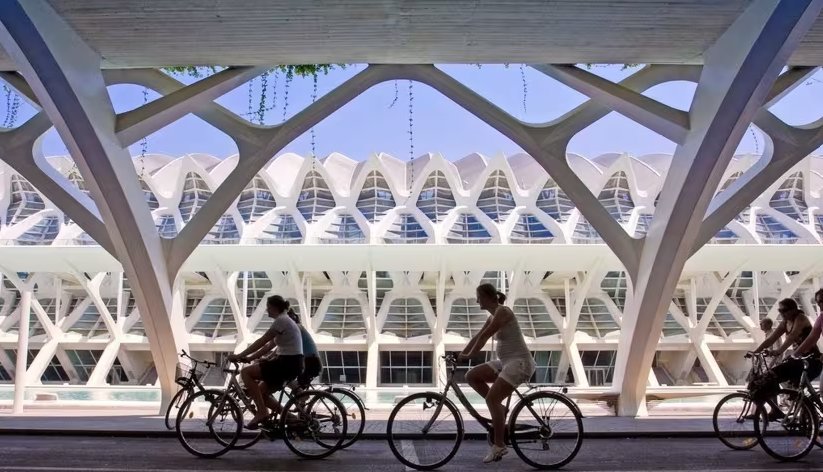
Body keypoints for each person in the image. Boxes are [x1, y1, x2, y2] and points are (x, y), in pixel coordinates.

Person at [458, 283, 536, 464]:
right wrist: (460, 354)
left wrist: (468, 355)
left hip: (520, 363)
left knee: (491, 399)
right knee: (471, 376)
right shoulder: (493, 316)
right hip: (506, 363)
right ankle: (500, 411)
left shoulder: (503, 312)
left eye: (478, 297)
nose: (477, 300)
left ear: (486, 297)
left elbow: (485, 337)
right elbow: (477, 336)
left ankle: (499, 445)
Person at [228, 295, 304, 429]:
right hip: (292, 363)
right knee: (260, 393)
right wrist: (249, 358)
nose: (267, 311)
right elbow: (267, 347)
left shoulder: (281, 321)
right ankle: (290, 418)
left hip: (286, 363)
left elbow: (262, 341)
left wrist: (240, 355)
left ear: (274, 308)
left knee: (246, 372)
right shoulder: (285, 321)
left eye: (268, 308)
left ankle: (262, 412)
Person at [754, 298, 822, 391]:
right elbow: (771, 339)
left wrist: (779, 351)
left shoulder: (801, 318)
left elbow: (792, 336)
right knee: (771, 378)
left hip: (810, 360)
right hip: (798, 359)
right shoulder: (785, 322)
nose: (781, 313)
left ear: (794, 309)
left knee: (778, 379)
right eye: (779, 310)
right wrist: (755, 352)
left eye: (784, 310)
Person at [286, 308, 323, 392]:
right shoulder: (297, 327)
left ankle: (302, 400)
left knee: (285, 376)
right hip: (310, 361)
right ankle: (301, 401)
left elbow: (285, 346)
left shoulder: (296, 328)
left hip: (310, 362)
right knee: (293, 383)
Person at [791, 289, 823, 379]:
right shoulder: (821, 318)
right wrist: (794, 355)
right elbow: (811, 338)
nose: (820, 304)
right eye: (818, 302)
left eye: (822, 301)